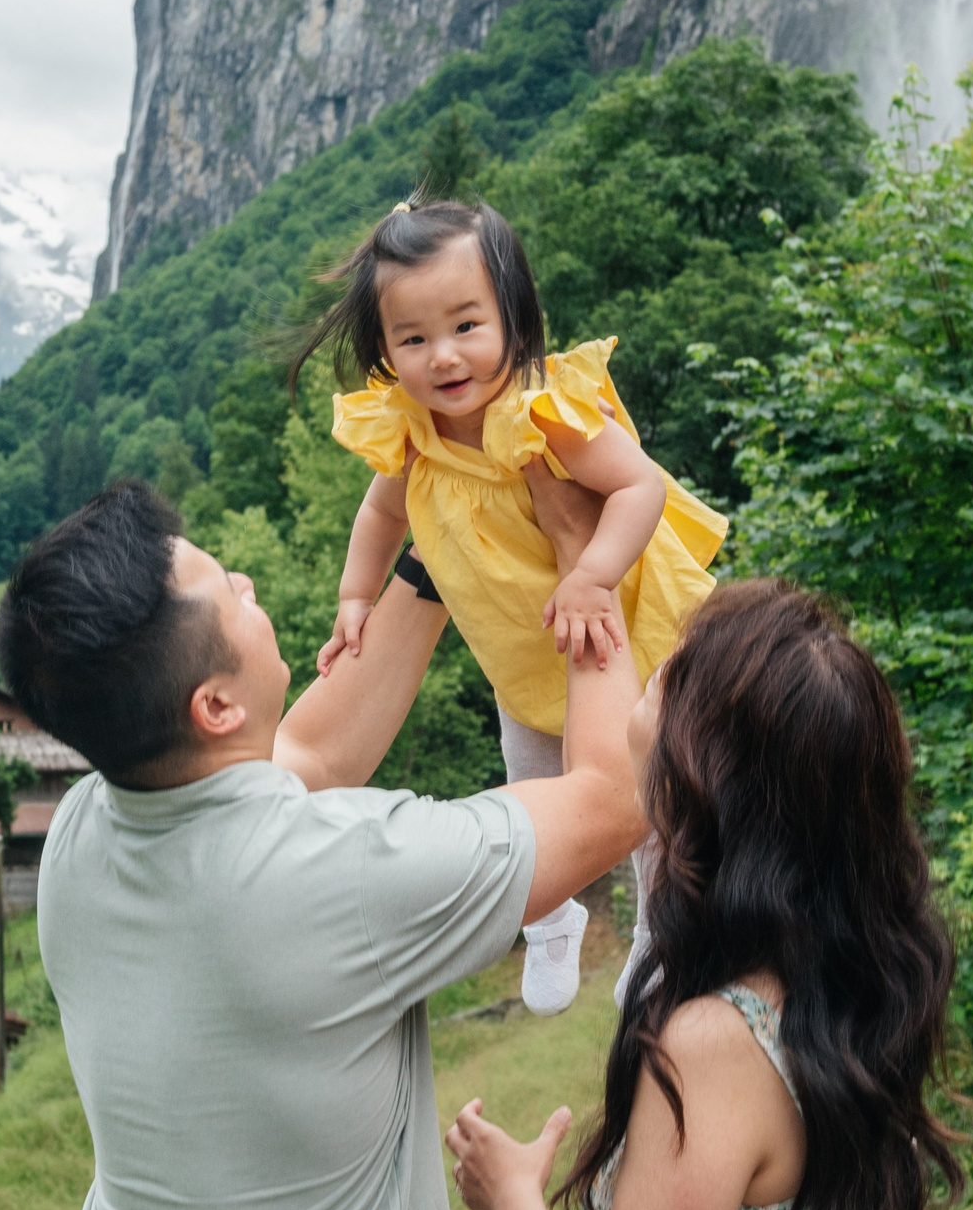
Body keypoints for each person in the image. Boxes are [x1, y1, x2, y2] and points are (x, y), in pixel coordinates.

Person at [0, 478, 645, 1210]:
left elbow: (311, 747)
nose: (249, 578)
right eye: (229, 588)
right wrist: (572, 547)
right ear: (212, 701)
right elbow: (609, 798)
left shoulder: (84, 830)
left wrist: (435, 549)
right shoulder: (343, 873)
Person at [446, 581, 965, 1210]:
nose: (645, 682)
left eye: (665, 678)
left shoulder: (710, 1046)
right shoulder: (856, 988)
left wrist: (513, 1201)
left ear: (707, 779)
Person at [307, 198, 727, 1016]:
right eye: (414, 338)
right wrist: (355, 597)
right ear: (386, 351)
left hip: (620, 640)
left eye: (467, 324)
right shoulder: (413, 433)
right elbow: (381, 516)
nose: (444, 356)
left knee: (653, 799)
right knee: (533, 797)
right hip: (520, 658)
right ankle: (552, 924)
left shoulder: (544, 413)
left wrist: (594, 574)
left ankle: (657, 942)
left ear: (515, 316)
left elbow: (638, 485)